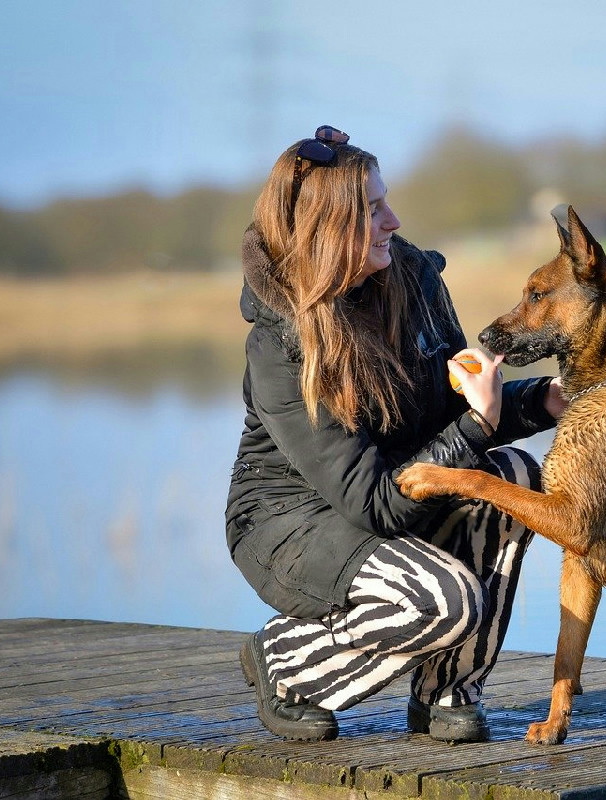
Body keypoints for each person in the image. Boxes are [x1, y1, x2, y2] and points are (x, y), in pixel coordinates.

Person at [225, 126, 565, 743]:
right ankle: (287, 662)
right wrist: (478, 423)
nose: (394, 219)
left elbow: (453, 410)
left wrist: (546, 400)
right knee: (445, 600)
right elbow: (375, 501)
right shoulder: (281, 346)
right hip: (290, 521)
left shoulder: (414, 281)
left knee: (515, 475)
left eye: (386, 201)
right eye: (373, 209)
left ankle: (448, 688)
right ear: (327, 231)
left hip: (390, 491)